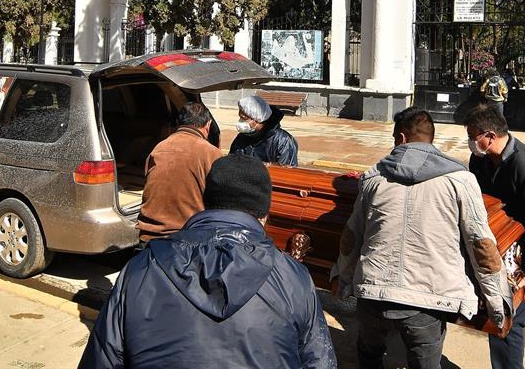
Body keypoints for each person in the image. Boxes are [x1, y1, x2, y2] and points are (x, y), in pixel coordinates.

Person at [80, 154, 337, 369]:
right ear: (265, 214)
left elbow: (102, 359)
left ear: (207, 202)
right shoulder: (294, 278)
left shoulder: (141, 269)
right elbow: (319, 361)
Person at [332, 107, 511, 369]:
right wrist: (498, 304)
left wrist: (341, 280)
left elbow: (351, 237)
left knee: (369, 356)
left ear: (401, 139)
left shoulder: (373, 178)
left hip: (372, 294)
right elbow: (481, 245)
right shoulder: (460, 180)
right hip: (428, 301)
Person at [465, 105, 525, 369]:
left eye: (473, 136)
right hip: (501, 247)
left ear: (490, 136)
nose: (471, 142)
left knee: (507, 320)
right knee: (497, 316)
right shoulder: (480, 159)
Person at [136, 102, 221, 242]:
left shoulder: (159, 148)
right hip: (187, 239)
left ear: (179, 123)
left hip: (149, 235)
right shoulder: (211, 153)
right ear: (208, 124)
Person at [229, 95, 298, 166]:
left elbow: (287, 171)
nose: (240, 122)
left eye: (244, 118)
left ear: (256, 119)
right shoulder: (242, 136)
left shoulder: (282, 141)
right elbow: (232, 161)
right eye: (240, 118)